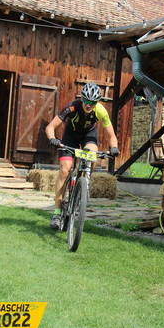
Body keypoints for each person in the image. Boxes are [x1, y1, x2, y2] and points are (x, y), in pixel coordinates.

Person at [45, 82, 120, 230]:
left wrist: (114, 148)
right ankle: (57, 212)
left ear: (97, 102)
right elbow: (50, 127)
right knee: (65, 169)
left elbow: (111, 135)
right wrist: (52, 139)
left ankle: (84, 182)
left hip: (88, 136)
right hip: (70, 136)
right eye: (86, 101)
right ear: (82, 99)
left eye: (93, 102)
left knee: (92, 155)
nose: (89, 105)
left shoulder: (100, 111)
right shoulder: (72, 107)